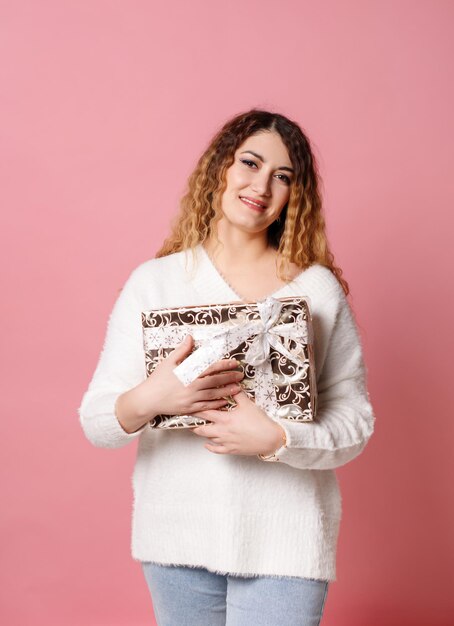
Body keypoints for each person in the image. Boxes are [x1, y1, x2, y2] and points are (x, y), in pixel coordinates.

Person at [78, 108, 375, 626]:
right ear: (220, 167)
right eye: (250, 163)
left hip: (287, 542)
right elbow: (98, 420)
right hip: (177, 541)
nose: (262, 184)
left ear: (294, 196)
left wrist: (278, 439)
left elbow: (355, 424)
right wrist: (154, 398)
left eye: (282, 176)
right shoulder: (154, 283)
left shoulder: (316, 290)